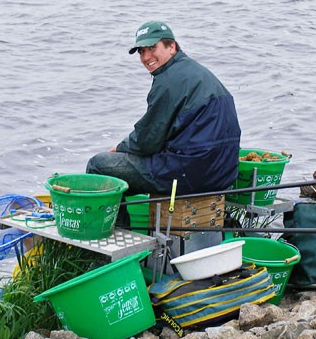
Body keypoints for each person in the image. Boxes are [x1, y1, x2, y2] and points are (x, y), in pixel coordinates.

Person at [86, 21, 241, 223]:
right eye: (141, 51)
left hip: (192, 173)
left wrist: (119, 148)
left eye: (152, 48)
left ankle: (116, 242)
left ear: (172, 47)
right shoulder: (197, 72)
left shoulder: (168, 81)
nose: (146, 57)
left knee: (99, 166)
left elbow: (147, 141)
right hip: (223, 173)